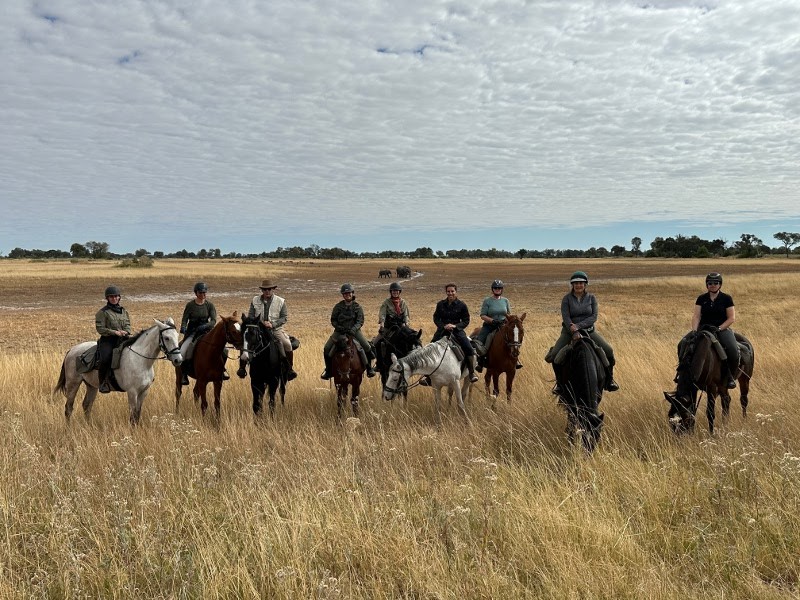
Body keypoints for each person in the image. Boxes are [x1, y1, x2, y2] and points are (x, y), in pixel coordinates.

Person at [549, 271, 619, 393]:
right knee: (555, 354)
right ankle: (559, 384)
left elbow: (593, 316)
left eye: (581, 283)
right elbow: (566, 317)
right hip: (569, 332)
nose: (578, 285)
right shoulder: (566, 299)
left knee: (608, 350)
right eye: (575, 283)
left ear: (585, 284)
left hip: (589, 331)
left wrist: (578, 326)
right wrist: (572, 328)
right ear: (572, 285)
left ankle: (609, 380)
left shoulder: (592, 298)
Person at [239, 279, 298, 381]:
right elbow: (251, 315)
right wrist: (258, 324)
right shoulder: (255, 300)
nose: (267, 291)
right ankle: (242, 368)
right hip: (258, 329)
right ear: (262, 290)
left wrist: (272, 324)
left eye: (269, 289)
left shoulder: (280, 301)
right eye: (265, 289)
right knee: (245, 342)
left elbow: (284, 317)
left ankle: (289, 369)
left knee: (287, 344)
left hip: (275, 329)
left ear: (273, 289)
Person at [691, 272, 739, 389]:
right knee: (683, 344)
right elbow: (696, 316)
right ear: (706, 285)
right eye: (710, 283)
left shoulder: (726, 298)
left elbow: (731, 318)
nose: (712, 285)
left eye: (715, 283)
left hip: (721, 329)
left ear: (720, 284)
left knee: (733, 350)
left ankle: (730, 377)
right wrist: (694, 331)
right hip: (703, 329)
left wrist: (719, 328)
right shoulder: (701, 298)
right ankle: (682, 373)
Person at [321, 283, 376, 379]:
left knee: (366, 346)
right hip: (340, 331)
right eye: (345, 293)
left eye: (349, 293)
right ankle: (328, 370)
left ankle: (369, 368)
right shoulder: (338, 306)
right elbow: (333, 319)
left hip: (354, 331)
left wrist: (354, 329)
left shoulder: (357, 307)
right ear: (343, 295)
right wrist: (339, 327)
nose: (347, 295)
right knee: (327, 348)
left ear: (352, 293)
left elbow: (360, 321)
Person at [179, 282, 227, 385]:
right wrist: (183, 327)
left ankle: (222, 370)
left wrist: (205, 326)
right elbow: (184, 319)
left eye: (205, 292)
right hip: (192, 332)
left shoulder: (210, 305)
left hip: (206, 332)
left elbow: (213, 321)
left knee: (225, 350)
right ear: (196, 293)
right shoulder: (190, 305)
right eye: (201, 293)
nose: (203, 294)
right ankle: (184, 374)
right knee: (183, 351)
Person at [430, 283, 479, 383]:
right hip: (442, 331)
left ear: (456, 292)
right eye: (448, 291)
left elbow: (466, 320)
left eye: (452, 291)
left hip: (457, 331)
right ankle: (428, 376)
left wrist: (455, 326)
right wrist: (442, 326)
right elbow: (436, 318)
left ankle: (471, 372)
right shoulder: (440, 304)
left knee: (469, 348)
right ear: (446, 292)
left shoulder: (462, 305)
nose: (450, 293)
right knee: (430, 348)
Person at [474, 279, 522, 371]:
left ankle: (516, 359)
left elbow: (508, 314)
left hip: (503, 325)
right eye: (495, 288)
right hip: (489, 326)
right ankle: (480, 361)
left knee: (512, 339)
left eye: (499, 288)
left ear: (502, 289)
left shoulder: (505, 301)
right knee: (480, 340)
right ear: (492, 289)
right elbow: (483, 315)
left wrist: (507, 320)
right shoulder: (487, 301)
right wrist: (492, 321)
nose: (497, 289)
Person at [95, 285, 131, 393]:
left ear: (119, 297)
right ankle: (102, 383)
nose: (114, 299)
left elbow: (128, 324)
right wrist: (114, 332)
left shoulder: (124, 311)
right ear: (107, 298)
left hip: (123, 338)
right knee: (105, 358)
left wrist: (126, 331)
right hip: (108, 340)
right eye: (111, 297)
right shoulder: (102, 312)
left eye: (116, 296)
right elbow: (100, 328)